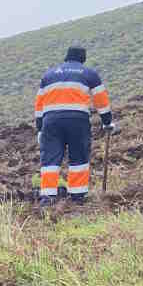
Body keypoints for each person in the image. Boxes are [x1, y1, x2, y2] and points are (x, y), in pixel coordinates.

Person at [36, 46, 113, 207]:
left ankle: (48, 198)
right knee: (78, 156)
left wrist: (40, 128)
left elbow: (39, 105)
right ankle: (77, 196)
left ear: (66, 57)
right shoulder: (88, 73)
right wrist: (107, 122)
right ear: (83, 59)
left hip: (51, 121)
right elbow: (101, 101)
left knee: (50, 159)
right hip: (77, 120)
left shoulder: (49, 75)